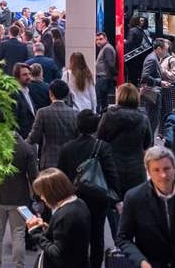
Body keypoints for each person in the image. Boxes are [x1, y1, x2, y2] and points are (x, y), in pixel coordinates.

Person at [57, 110, 120, 268]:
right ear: (96, 126)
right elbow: (111, 174)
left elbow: (61, 176)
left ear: (77, 125)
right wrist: (115, 198)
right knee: (97, 237)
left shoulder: (66, 148)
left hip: (74, 199)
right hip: (98, 199)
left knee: (76, 238)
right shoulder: (102, 147)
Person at [116, 146, 175, 268]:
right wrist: (141, 262)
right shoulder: (134, 198)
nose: (163, 175)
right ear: (148, 172)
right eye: (156, 170)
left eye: (167, 168)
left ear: (174, 168)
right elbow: (123, 238)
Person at [0, 132, 38, 268]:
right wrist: (37, 197)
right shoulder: (27, 148)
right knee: (18, 235)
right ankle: (18, 265)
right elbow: (33, 176)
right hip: (20, 198)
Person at [26, 168, 91, 268]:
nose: (42, 198)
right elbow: (67, 237)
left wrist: (35, 232)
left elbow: (58, 254)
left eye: (43, 194)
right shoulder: (79, 203)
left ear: (52, 192)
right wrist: (48, 229)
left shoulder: (66, 215)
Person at [97, 83, 154, 197]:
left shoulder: (108, 116)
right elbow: (148, 143)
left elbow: (99, 138)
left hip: (112, 166)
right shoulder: (143, 118)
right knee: (134, 201)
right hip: (136, 168)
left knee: (113, 200)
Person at [26, 79, 78, 169]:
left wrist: (21, 144)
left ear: (50, 93)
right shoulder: (75, 114)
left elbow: (34, 138)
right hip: (69, 160)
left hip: (49, 161)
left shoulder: (43, 112)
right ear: (66, 94)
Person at [141, 38, 170, 136]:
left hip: (152, 93)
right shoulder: (152, 59)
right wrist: (160, 82)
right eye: (165, 50)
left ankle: (149, 142)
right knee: (152, 121)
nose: (166, 52)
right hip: (152, 94)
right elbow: (145, 77)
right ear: (159, 49)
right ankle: (149, 143)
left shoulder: (154, 58)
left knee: (152, 121)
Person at [12, 63, 36, 139]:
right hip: (22, 139)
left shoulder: (28, 91)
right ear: (17, 77)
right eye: (25, 75)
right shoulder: (14, 94)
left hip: (30, 138)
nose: (28, 77)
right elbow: (14, 120)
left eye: (29, 74)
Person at [95, 32, 117, 112]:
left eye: (100, 39)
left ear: (106, 39)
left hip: (104, 78)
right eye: (97, 40)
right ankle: (103, 115)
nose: (98, 41)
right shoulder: (104, 48)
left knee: (100, 99)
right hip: (104, 77)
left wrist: (114, 75)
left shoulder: (107, 48)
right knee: (103, 100)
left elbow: (110, 64)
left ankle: (101, 116)